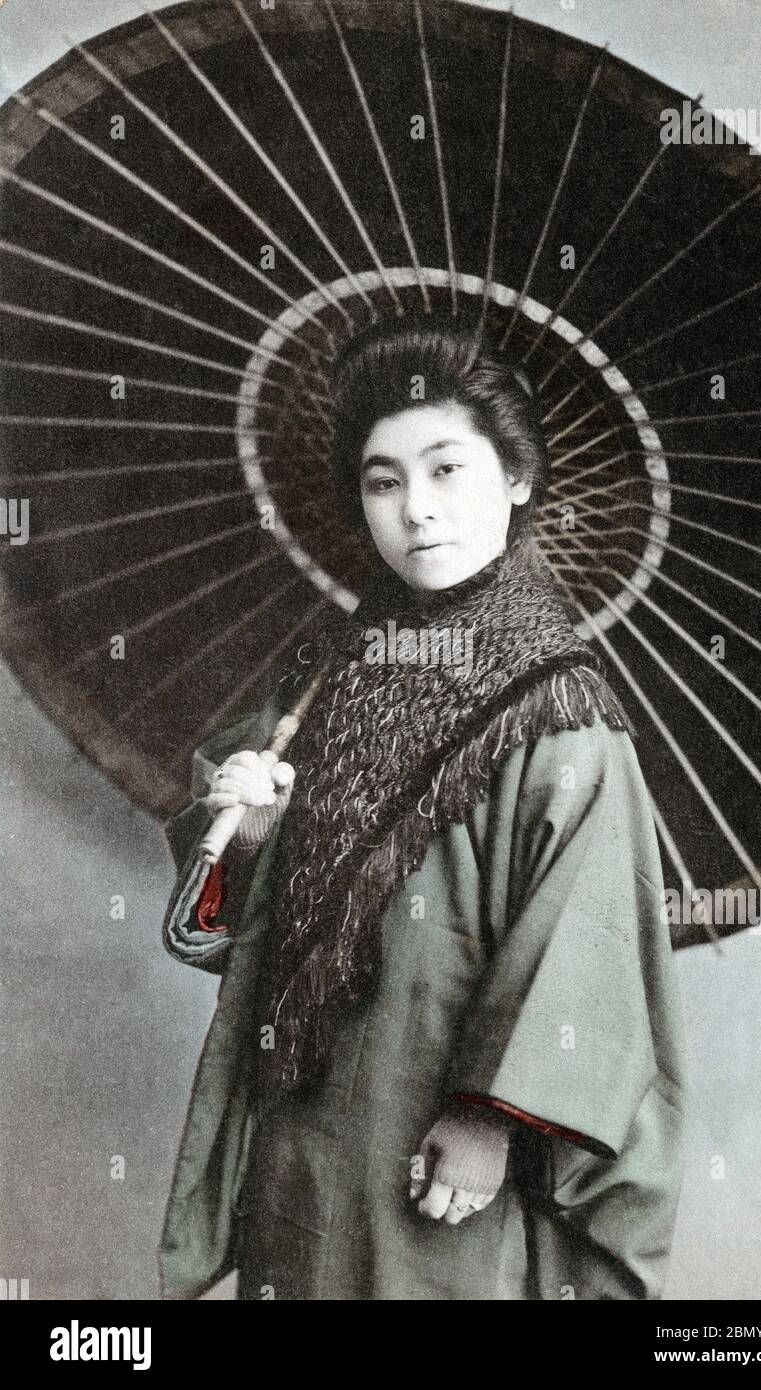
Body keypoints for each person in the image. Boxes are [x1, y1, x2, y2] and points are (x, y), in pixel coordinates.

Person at [158, 315, 688, 1301]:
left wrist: (491, 1117)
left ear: (516, 478)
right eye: (383, 481)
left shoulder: (559, 702)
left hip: (442, 1131)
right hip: (305, 1121)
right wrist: (255, 838)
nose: (416, 512)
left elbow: (587, 942)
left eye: (447, 470)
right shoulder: (330, 663)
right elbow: (255, 917)